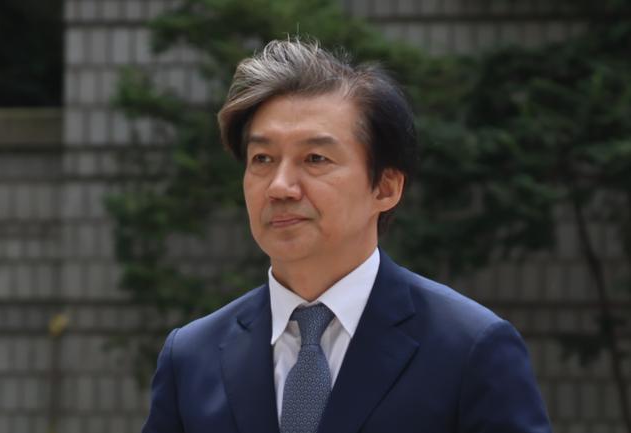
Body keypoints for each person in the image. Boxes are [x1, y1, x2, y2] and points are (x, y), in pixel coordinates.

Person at [141, 38, 552, 433]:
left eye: (315, 158)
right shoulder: (191, 357)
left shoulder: (470, 348)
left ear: (385, 187)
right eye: (262, 158)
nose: (280, 187)